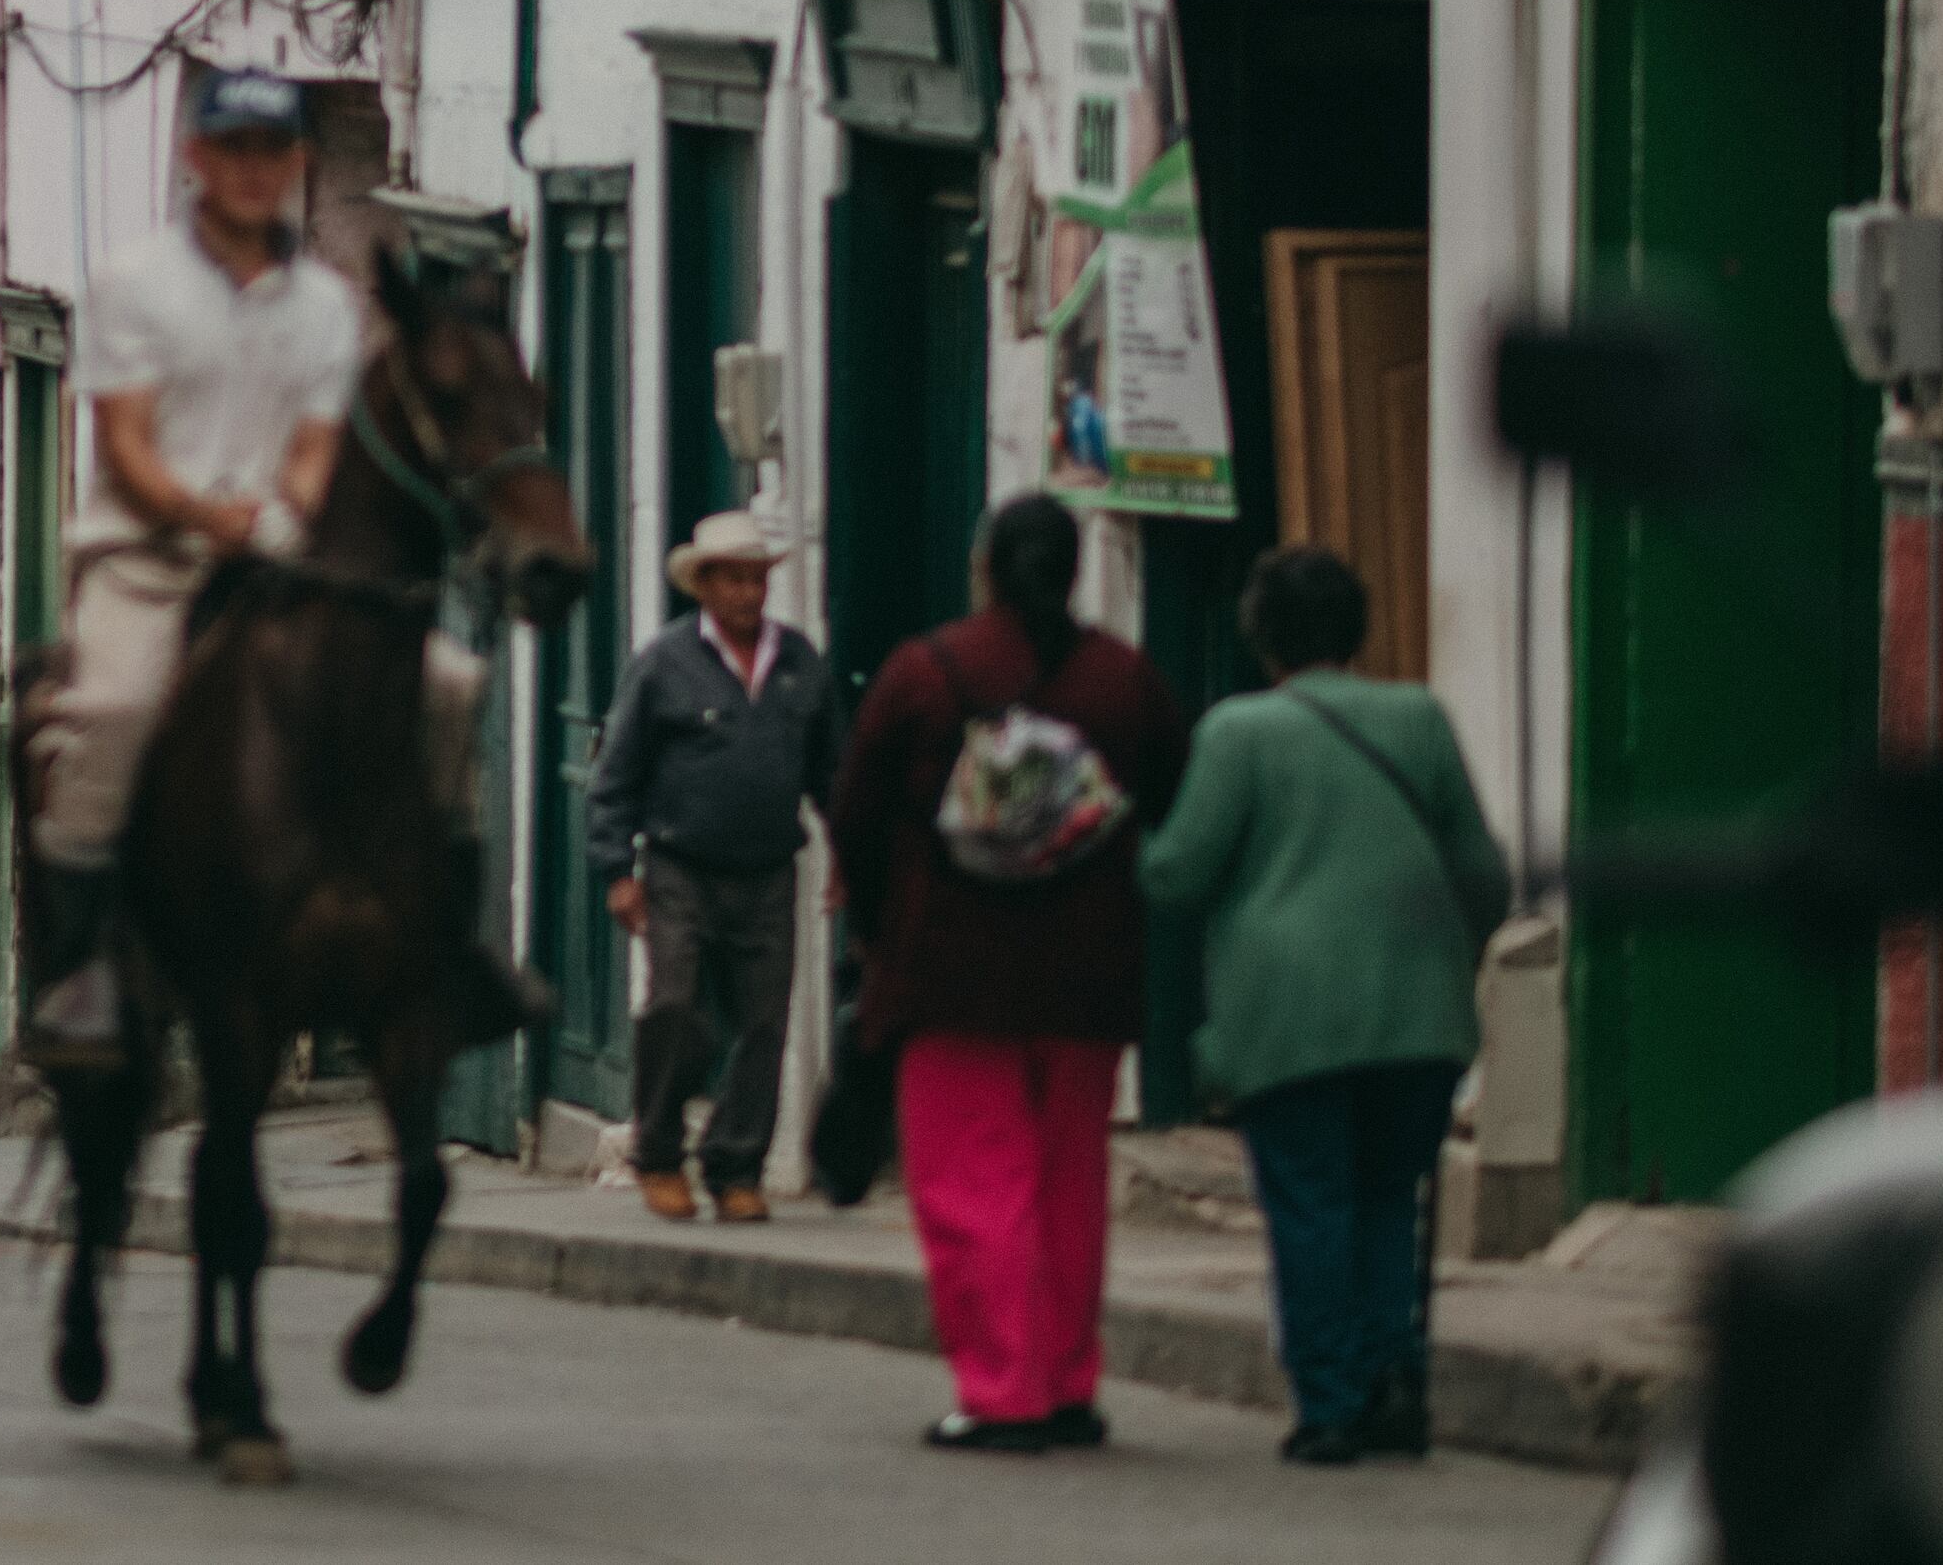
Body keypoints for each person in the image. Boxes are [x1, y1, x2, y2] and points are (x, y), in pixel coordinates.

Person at [21, 67, 520, 1060]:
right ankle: (79, 973)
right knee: (110, 712)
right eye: (234, 150)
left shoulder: (327, 306)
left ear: (297, 162)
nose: (254, 172)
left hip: (282, 546)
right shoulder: (134, 284)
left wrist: (284, 512)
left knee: (447, 684)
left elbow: (313, 443)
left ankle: (452, 945)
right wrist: (205, 514)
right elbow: (124, 440)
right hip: (147, 555)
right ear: (195, 157)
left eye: (273, 151)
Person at [832, 490, 1189, 1455]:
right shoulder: (1126, 681)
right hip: (1087, 981)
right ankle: (1069, 1381)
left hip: (951, 975)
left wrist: (878, 932)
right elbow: (1172, 801)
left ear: (985, 566)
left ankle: (1002, 1388)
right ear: (1075, 571)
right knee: (1072, 1183)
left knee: (974, 1185)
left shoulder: (925, 673)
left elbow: (856, 817)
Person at [1141, 545, 1512, 1466]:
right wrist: (1443, 958)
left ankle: (1332, 1404)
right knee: (1391, 1200)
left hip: (1287, 1015)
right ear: (1357, 628)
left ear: (1262, 637)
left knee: (1312, 1204)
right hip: (1416, 1013)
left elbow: (1178, 873)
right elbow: (1488, 877)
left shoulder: (1238, 732)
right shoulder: (1419, 717)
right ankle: (1397, 1386)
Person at [584, 507, 838, 1222]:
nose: (749, 595)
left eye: (758, 580)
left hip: (767, 870)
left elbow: (830, 769)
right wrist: (616, 870)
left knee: (764, 1021)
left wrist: (846, 847)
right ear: (704, 586)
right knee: (676, 1009)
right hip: (680, 867)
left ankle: (736, 1166)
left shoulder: (797, 663)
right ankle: (659, 1153)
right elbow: (616, 775)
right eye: (734, 581)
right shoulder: (663, 664)